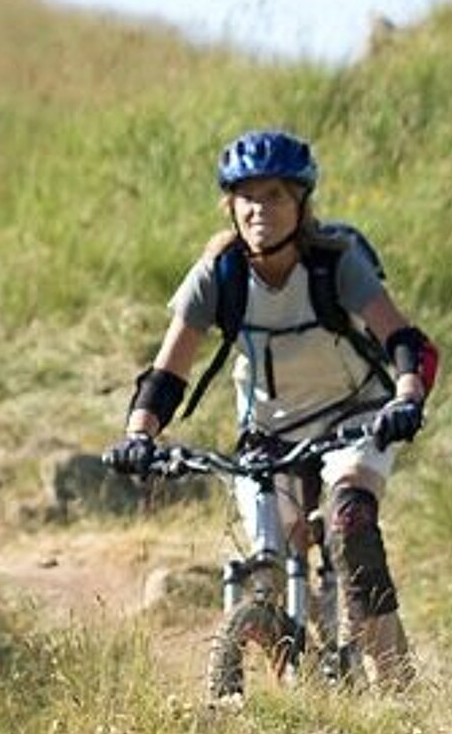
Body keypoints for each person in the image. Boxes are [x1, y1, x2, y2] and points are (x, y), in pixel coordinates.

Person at [105, 130, 438, 688]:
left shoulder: (336, 262)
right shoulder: (219, 273)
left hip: (353, 417)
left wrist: (406, 397)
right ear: (230, 205)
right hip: (269, 430)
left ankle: (399, 689)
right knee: (268, 560)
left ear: (301, 204)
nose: (260, 210)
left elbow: (405, 341)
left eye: (276, 196)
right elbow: (165, 376)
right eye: (248, 197)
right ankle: (299, 687)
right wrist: (139, 434)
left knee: (350, 523)